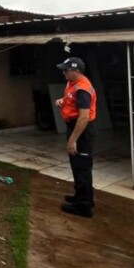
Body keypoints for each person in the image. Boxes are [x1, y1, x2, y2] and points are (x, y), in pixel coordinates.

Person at [55, 57, 97, 218]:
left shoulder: (82, 89)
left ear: (76, 71)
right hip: (75, 127)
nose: (63, 72)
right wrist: (62, 101)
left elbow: (84, 117)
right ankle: (81, 196)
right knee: (77, 165)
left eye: (66, 70)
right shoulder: (73, 84)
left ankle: (84, 206)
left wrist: (72, 140)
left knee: (82, 168)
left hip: (82, 131)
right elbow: (71, 101)